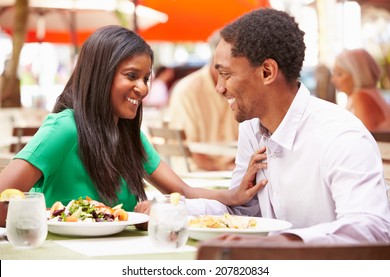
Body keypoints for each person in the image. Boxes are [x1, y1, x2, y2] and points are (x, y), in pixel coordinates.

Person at [0, 25, 263, 227]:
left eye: (146, 78)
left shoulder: (129, 136)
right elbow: (3, 196)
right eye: (131, 76)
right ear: (100, 74)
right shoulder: (66, 128)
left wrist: (234, 196)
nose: (143, 88)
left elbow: (183, 192)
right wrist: (41, 224)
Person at [183, 8, 390, 244]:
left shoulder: (341, 135)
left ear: (267, 72)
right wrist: (175, 212)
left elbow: (371, 228)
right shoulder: (252, 128)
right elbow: (243, 212)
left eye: (226, 74)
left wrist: (286, 243)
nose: (219, 88)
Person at [168, 31, 239, 171]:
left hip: (232, 173)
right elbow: (192, 152)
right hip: (196, 176)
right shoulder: (187, 91)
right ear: (216, 59)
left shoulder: (242, 87)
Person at [331, 48, 390, 131]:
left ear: (356, 74)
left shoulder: (361, 97)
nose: (333, 80)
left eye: (339, 74)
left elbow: (365, 138)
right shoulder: (370, 93)